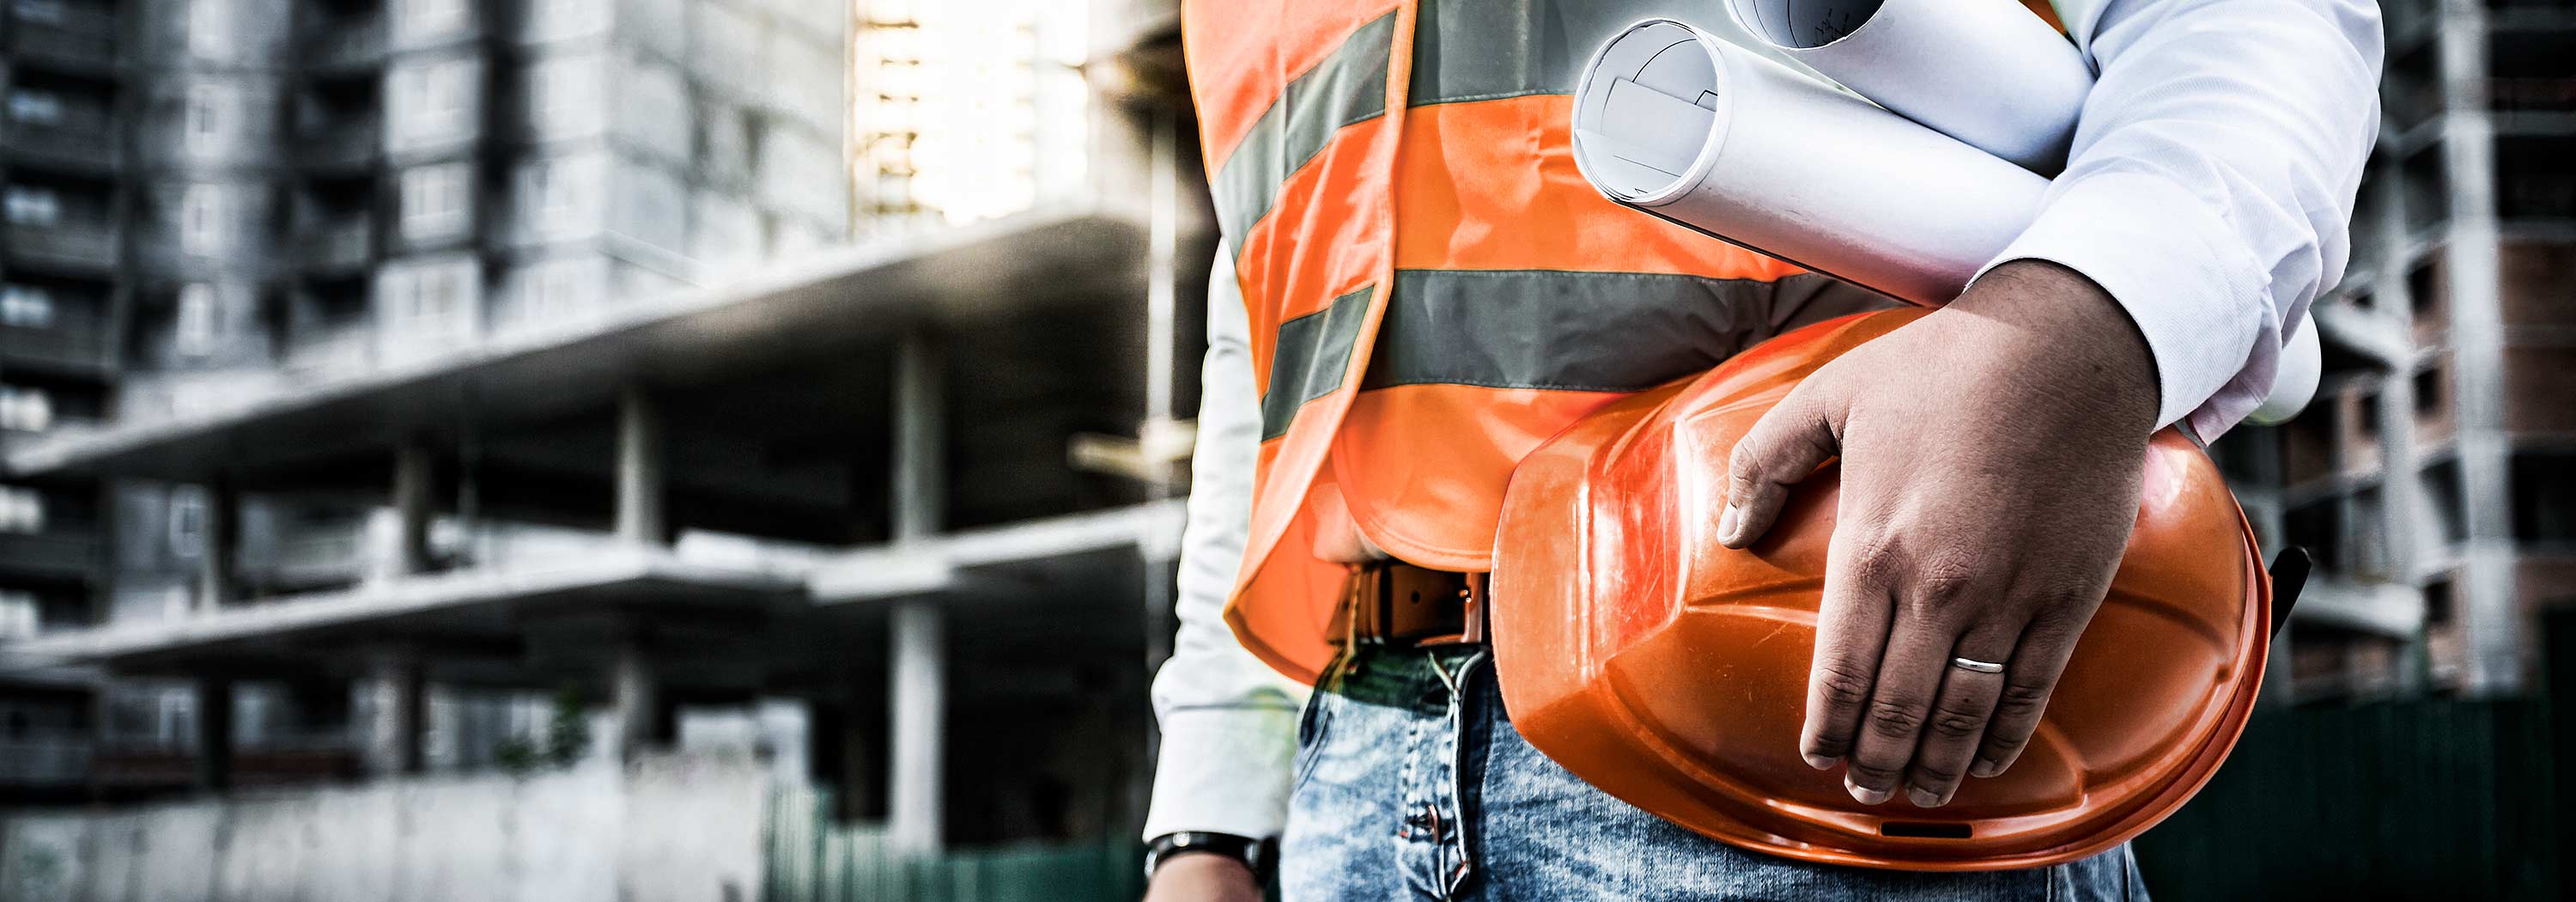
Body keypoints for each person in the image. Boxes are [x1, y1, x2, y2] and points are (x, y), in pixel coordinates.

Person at [1140, 0, 2384, 898]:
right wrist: (1209, 814)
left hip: (1803, 702)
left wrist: (2084, 319)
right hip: (1358, 765)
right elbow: (1281, 342)